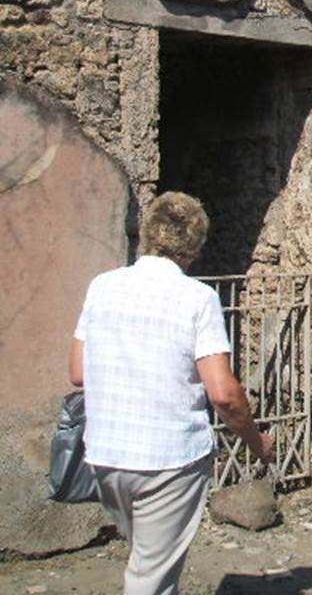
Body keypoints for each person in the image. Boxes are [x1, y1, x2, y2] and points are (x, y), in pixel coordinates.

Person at [68, 191, 274, 595]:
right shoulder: (197, 298)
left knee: (149, 561)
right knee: (150, 580)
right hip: (167, 460)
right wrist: (255, 441)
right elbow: (224, 394)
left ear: (146, 233)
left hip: (107, 456)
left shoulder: (102, 286)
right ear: (195, 245)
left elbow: (77, 372)